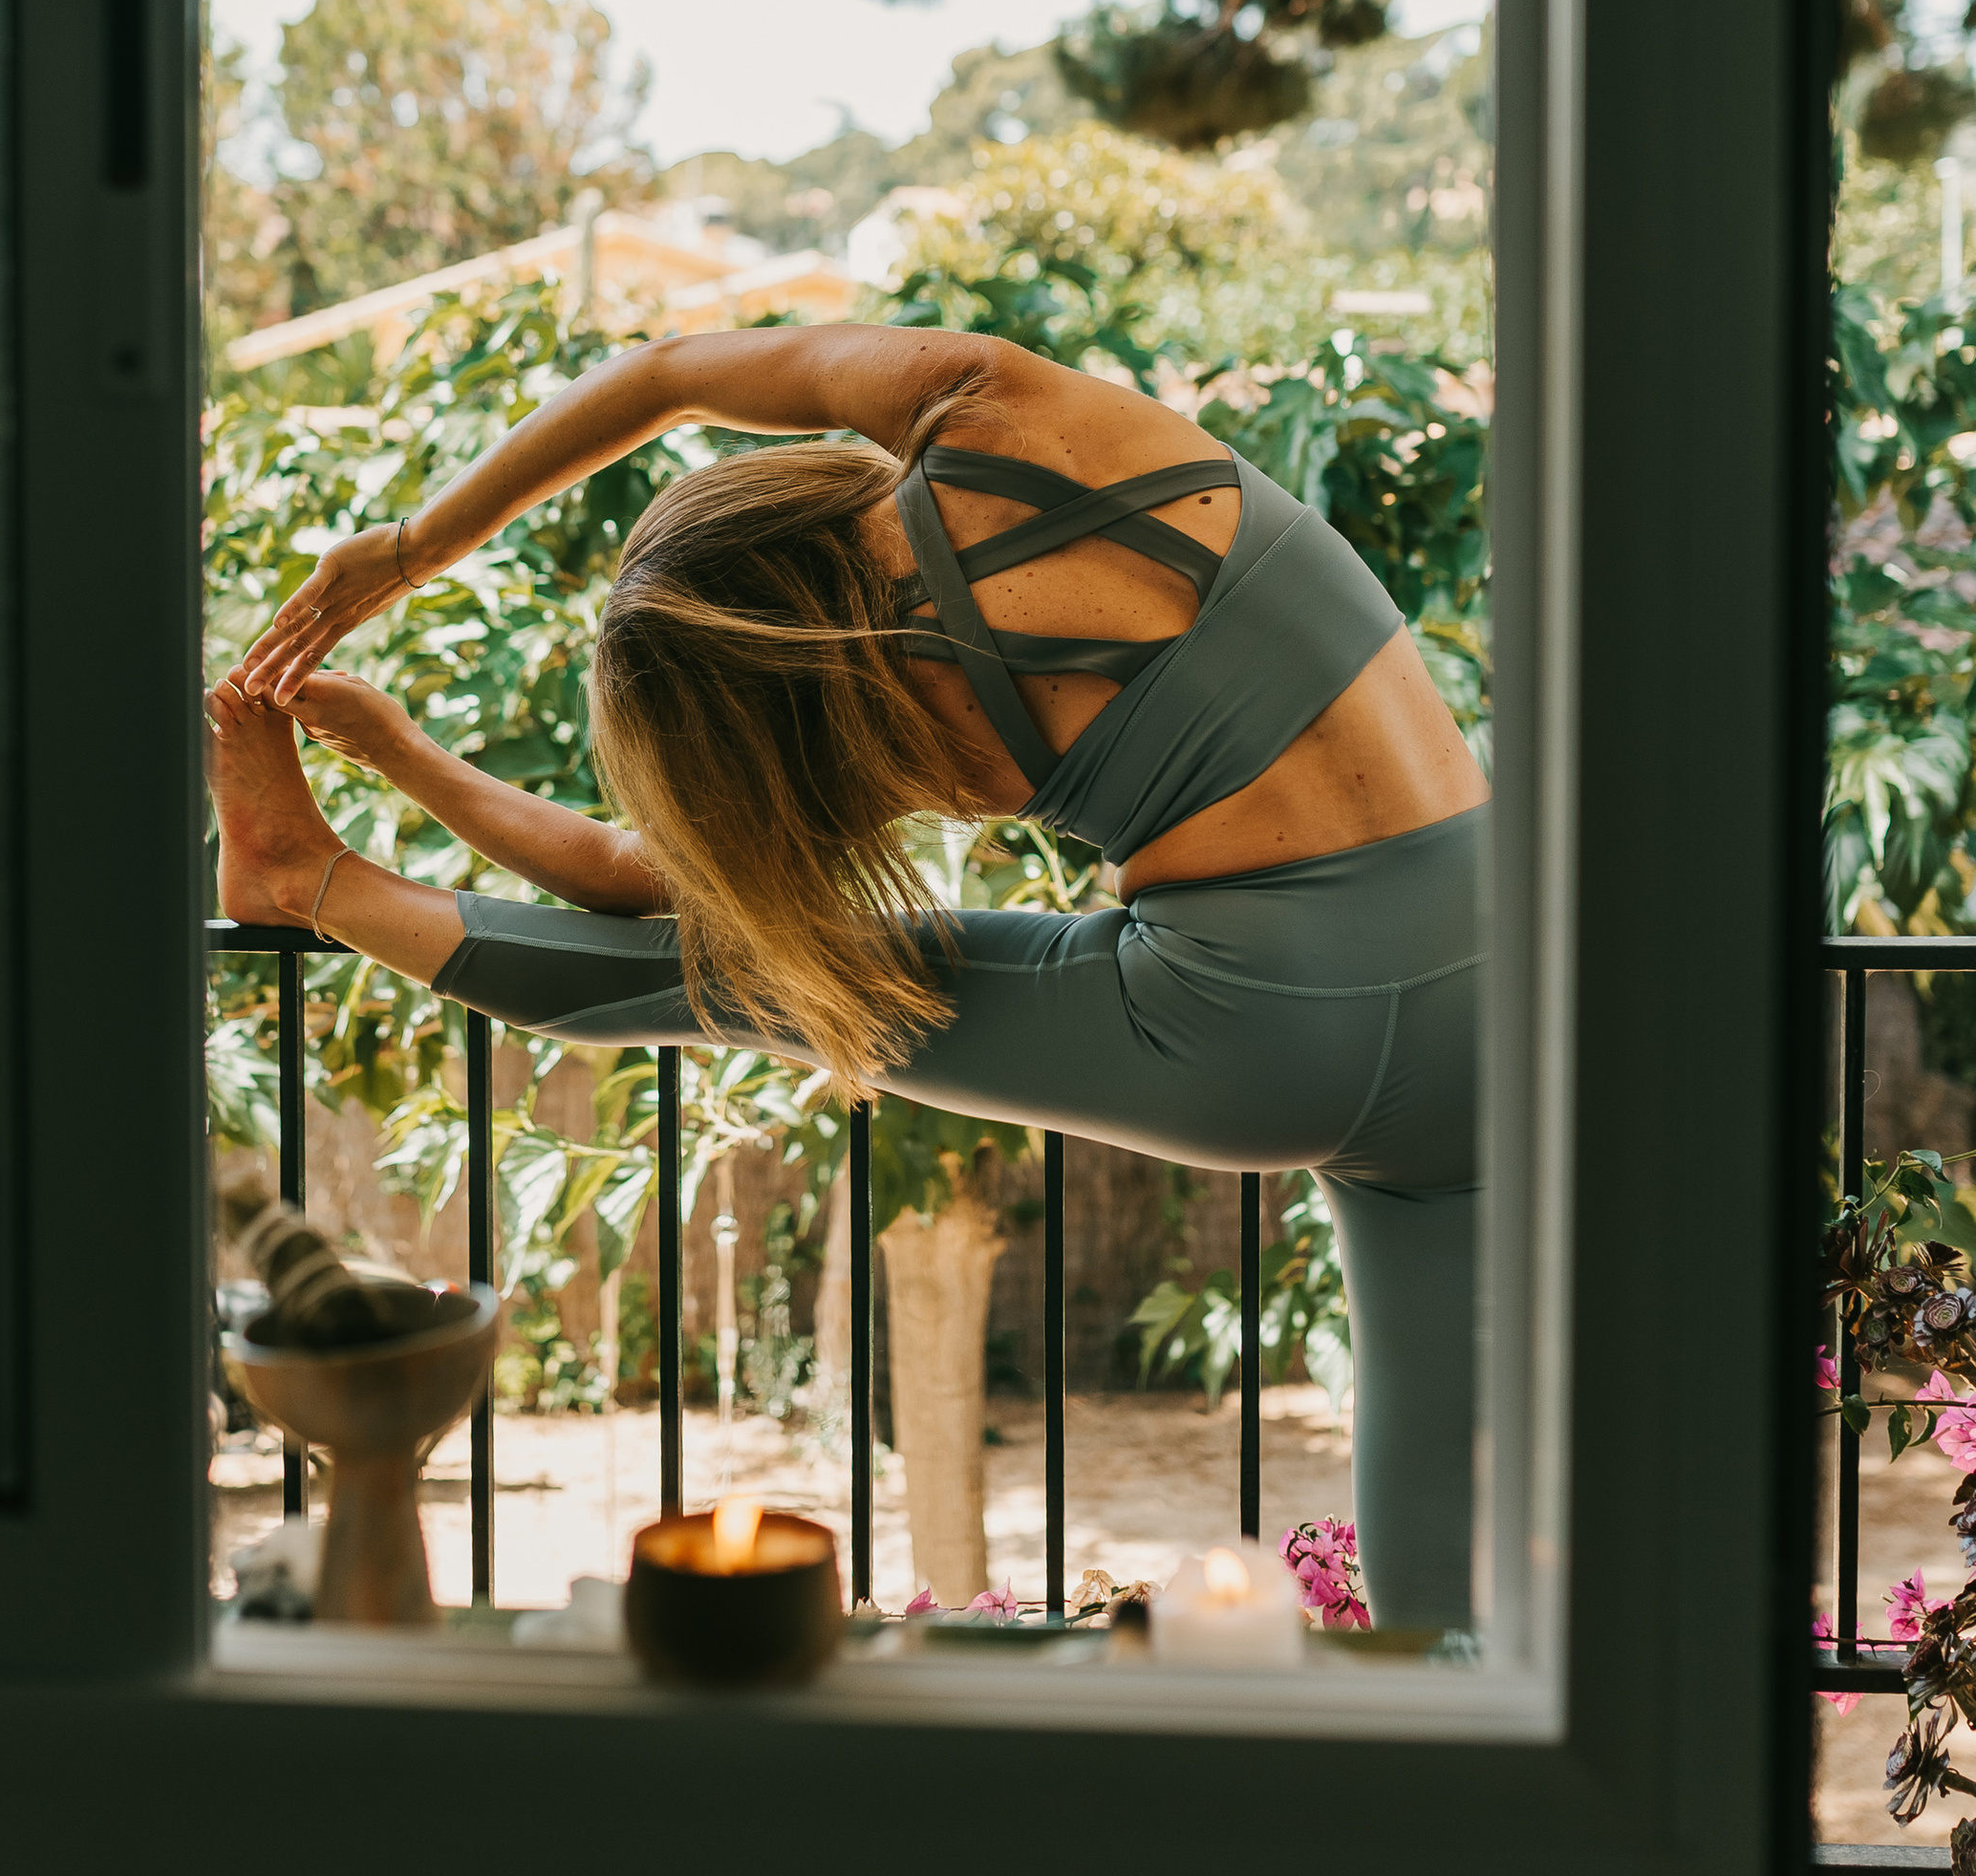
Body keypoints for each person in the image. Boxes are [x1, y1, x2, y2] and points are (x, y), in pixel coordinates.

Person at [207, 319, 1489, 1630]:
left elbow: (627, 881)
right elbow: (667, 375)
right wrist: (415, 547)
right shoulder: (999, 408)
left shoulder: (887, 694)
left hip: (1260, 1024)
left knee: (723, 982)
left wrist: (409, 756)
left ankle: (307, 881)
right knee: (1445, 1549)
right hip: (1512, 971)